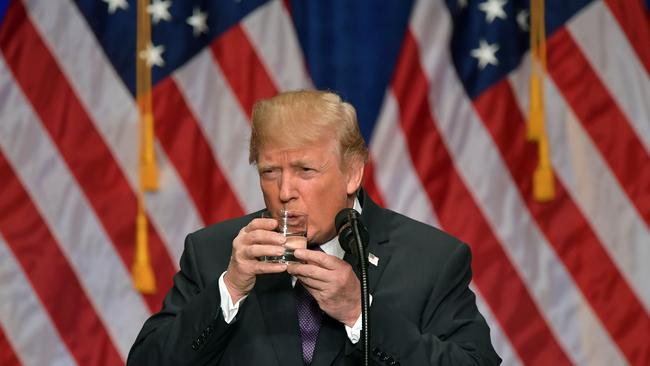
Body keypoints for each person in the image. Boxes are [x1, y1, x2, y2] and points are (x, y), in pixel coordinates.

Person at [127, 90, 501, 365]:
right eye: (270, 172)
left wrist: (360, 313)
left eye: (305, 171)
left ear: (353, 172)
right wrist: (229, 290)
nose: (285, 192)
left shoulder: (431, 259)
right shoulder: (214, 253)